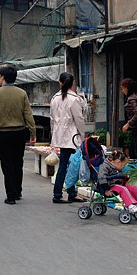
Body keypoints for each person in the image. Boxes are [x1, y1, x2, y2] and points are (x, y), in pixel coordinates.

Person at [0, 65, 36, 204]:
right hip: (19, 133)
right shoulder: (21, 93)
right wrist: (33, 132)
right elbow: (28, 114)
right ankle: (17, 191)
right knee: (17, 162)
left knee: (7, 164)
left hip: (3, 134)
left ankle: (10, 195)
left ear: (2, 78)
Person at [50, 72, 87, 204]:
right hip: (72, 137)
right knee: (71, 165)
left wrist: (53, 138)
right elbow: (79, 120)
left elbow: (52, 120)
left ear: (60, 83)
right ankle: (60, 193)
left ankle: (68, 192)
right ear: (73, 83)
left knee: (66, 165)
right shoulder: (74, 99)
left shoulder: (55, 98)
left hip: (60, 136)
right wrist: (83, 137)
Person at [97, 147, 137, 214]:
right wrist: (106, 190)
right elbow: (102, 178)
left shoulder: (115, 167)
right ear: (118, 162)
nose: (124, 167)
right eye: (124, 165)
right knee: (123, 189)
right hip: (109, 186)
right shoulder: (104, 166)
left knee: (132, 188)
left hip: (116, 184)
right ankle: (130, 206)